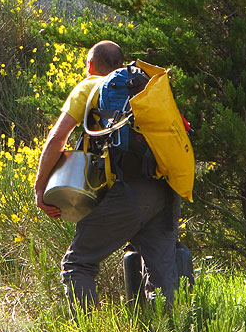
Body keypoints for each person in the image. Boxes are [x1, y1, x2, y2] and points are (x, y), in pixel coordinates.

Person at [33, 40, 181, 312]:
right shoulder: (145, 90)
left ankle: (88, 325)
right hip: (166, 189)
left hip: (130, 190)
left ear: (90, 66)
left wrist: (40, 187)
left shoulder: (91, 86)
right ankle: (172, 325)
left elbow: (57, 138)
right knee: (162, 282)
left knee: (78, 263)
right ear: (121, 65)